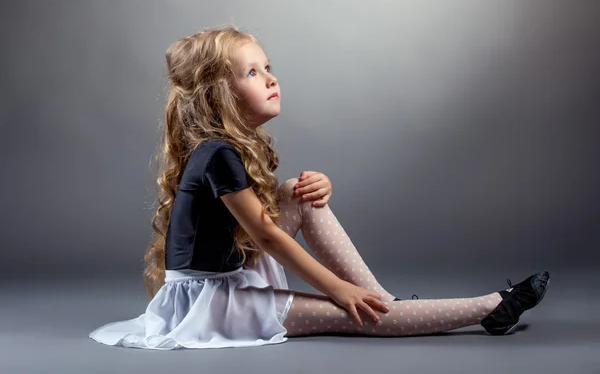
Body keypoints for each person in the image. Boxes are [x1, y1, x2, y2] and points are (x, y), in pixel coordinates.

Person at [88, 25, 550, 350]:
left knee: (298, 191)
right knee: (355, 317)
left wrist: (319, 188)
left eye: (268, 66)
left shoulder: (229, 148)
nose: (271, 78)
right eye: (251, 73)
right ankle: (494, 306)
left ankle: (384, 303)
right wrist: (338, 289)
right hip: (215, 304)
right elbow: (266, 236)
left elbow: (263, 220)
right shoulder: (217, 153)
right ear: (219, 95)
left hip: (230, 274)